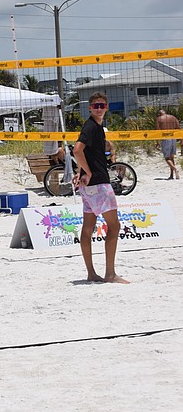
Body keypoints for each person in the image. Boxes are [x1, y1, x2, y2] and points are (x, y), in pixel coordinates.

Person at [72, 92, 129, 284]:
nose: (99, 108)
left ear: (106, 107)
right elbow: (77, 150)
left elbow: (83, 152)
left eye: (101, 105)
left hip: (88, 187)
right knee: (114, 226)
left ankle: (91, 273)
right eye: (95, 106)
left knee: (88, 228)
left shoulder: (96, 127)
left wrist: (81, 172)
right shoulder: (91, 126)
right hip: (98, 184)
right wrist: (87, 172)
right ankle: (110, 274)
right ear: (89, 108)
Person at [155, 109, 180, 179]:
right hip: (173, 138)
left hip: (166, 138)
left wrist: (157, 142)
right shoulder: (173, 117)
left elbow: (157, 131)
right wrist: (181, 139)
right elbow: (178, 128)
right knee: (171, 158)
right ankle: (172, 175)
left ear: (159, 114)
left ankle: (175, 169)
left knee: (167, 158)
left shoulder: (159, 119)